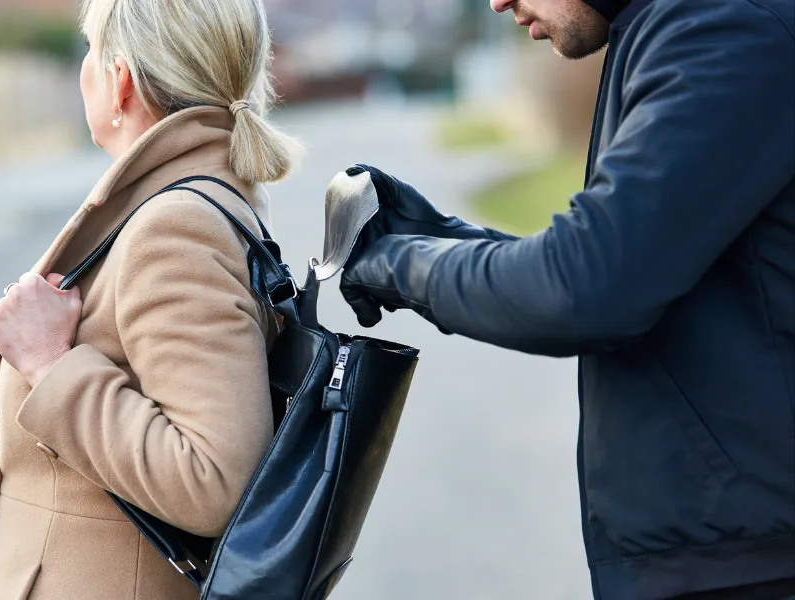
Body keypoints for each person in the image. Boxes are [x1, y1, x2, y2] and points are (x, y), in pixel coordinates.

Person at [339, 0, 795, 599]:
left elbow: (586, 288)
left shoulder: (725, 27)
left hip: (755, 567)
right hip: (730, 556)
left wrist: (397, 265)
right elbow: (621, 262)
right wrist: (438, 239)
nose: (499, 1)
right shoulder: (679, 26)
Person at [0, 0, 299, 598]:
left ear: (120, 79)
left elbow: (213, 481)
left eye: (90, 51)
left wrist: (49, 362)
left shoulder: (175, 228)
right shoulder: (193, 203)